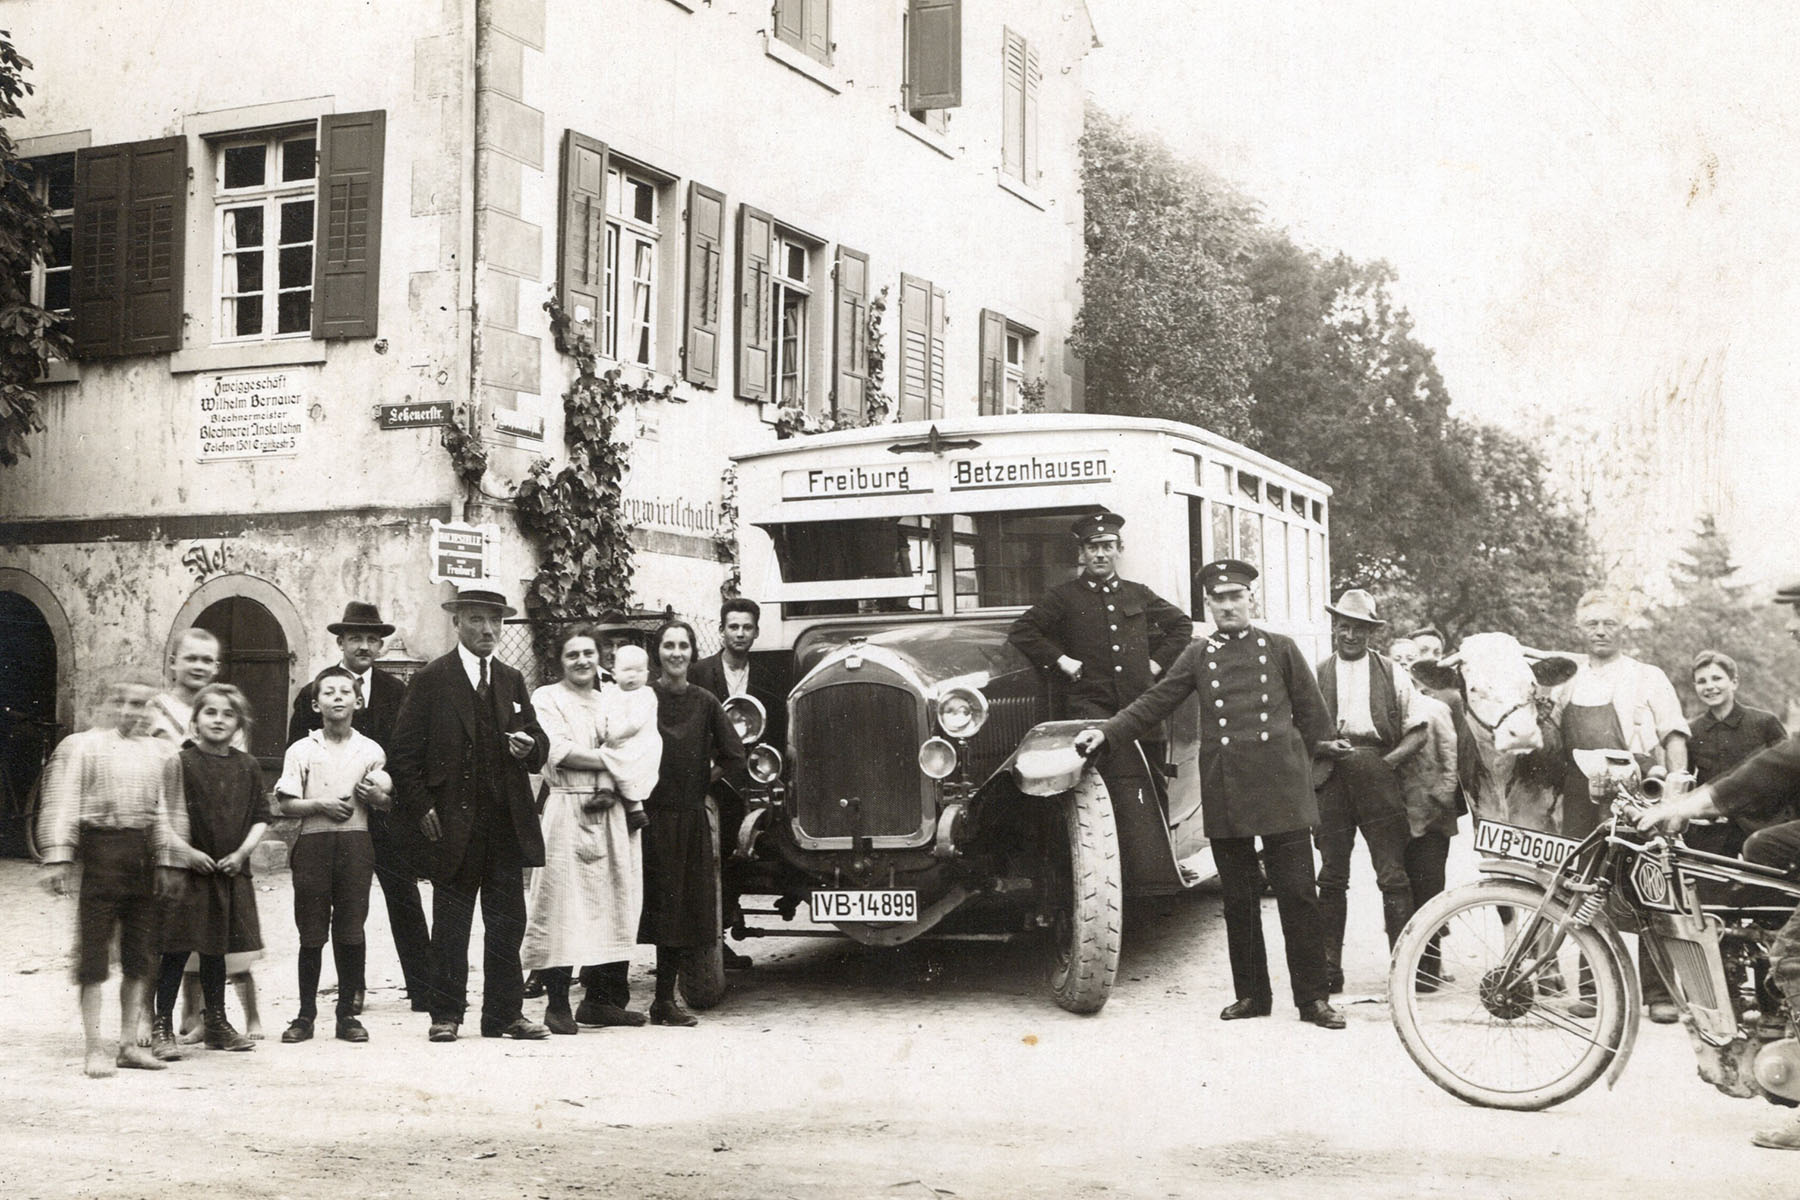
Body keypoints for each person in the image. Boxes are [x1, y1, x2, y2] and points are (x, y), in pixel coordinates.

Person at [1075, 560, 1345, 1029]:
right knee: (1238, 900)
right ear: (1208, 606)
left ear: (1251, 600)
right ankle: (1252, 996)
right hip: (1227, 789)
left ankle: (1313, 999)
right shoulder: (1199, 654)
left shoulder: (1280, 648)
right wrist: (1108, 732)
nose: (1228, 606)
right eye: (1219, 599)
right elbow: (1156, 700)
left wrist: (1310, 780)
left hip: (1281, 790)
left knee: (1299, 896)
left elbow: (1315, 720)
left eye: (1236, 596)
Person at [1635, 578, 1800, 1150]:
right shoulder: (1697, 728)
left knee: (1793, 955)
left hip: (1736, 814)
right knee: (1764, 853)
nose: (1792, 625)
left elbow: (1781, 764)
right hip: (1744, 831)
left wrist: (1689, 805)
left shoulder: (1761, 720)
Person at [390, 583, 551, 1042]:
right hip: (452, 823)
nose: (488, 629)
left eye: (495, 620)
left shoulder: (511, 679)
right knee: (451, 922)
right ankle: (445, 1014)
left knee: (507, 922)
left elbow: (539, 743)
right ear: (457, 621)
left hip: (504, 822)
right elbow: (402, 754)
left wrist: (529, 747)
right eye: (477, 619)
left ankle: (504, 1015)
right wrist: (422, 806)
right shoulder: (432, 679)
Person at [38, 674, 189, 1076]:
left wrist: (170, 861)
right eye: (125, 702)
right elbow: (63, 799)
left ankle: (127, 1044)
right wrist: (58, 855)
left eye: (144, 705)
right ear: (107, 705)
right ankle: (94, 1048)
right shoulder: (84, 747)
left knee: (140, 956)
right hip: (101, 854)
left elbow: (169, 811)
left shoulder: (162, 754)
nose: (133, 712)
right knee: (93, 957)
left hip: (142, 857)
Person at [1009, 511, 1192, 831]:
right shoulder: (1063, 597)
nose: (1100, 554)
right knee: (1101, 788)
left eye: (1107, 546)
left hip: (1141, 707)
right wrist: (1061, 660)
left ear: (1119, 550)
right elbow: (1023, 630)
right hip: (1091, 709)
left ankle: (1158, 859)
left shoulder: (1138, 593)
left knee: (1152, 784)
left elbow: (1181, 626)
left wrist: (1155, 663)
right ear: (1081, 553)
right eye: (1092, 547)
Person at [288, 602, 429, 1015]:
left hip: (383, 816)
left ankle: (423, 986)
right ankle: (353, 990)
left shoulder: (397, 692)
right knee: (341, 904)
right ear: (341, 643)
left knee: (404, 896)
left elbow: (409, 753)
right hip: (333, 819)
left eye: (371, 639)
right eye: (355, 638)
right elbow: (296, 753)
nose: (364, 646)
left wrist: (388, 795)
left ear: (381, 646)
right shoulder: (315, 692)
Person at [1560, 588, 1689, 1021]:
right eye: (1592, 623)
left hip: (1638, 787)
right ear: (1579, 628)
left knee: (1648, 884)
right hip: (1580, 792)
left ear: (1623, 627)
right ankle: (1596, 990)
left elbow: (1673, 734)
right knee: (1586, 884)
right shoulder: (1567, 681)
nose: (1600, 631)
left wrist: (1675, 793)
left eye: (1609, 623)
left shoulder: (1647, 675)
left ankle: (1660, 993)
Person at [520, 628, 654, 1034]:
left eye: (588, 653)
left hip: (612, 809)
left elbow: (641, 746)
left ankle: (601, 1001)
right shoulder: (547, 698)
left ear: (600, 657)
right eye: (572, 654)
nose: (582, 661)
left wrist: (620, 763)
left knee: (615, 899)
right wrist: (619, 761)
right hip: (566, 808)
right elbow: (559, 752)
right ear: (559, 661)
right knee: (560, 904)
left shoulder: (612, 698)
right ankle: (557, 1003)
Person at [145, 626, 263, 1042]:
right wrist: (183, 851)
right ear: (194, 723)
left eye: (227, 715)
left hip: (223, 865)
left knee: (216, 946)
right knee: (173, 945)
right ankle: (158, 1022)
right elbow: (160, 809)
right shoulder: (177, 755)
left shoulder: (245, 762)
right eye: (209, 714)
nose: (218, 720)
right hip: (181, 859)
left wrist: (242, 852)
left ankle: (213, 1021)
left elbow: (258, 812)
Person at [1313, 589, 1427, 993]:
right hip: (1331, 776)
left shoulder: (1392, 672)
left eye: (1358, 629)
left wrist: (1387, 764)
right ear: (1335, 628)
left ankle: (1402, 969)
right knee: (1331, 875)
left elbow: (1419, 730)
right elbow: (1297, 730)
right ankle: (1329, 968)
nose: (1350, 635)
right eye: (1344, 627)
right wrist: (1323, 746)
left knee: (1392, 874)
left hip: (1378, 772)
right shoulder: (1318, 673)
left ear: (1371, 632)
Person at [274, 666, 392, 1044]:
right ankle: (305, 1015)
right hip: (313, 844)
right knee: (311, 931)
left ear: (358, 701)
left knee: (351, 928)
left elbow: (386, 802)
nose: (337, 697)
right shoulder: (302, 750)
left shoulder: (371, 750)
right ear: (316, 704)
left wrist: (378, 796)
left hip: (356, 844)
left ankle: (347, 1015)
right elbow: (286, 804)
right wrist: (320, 804)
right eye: (329, 692)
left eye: (345, 691)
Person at [638, 619, 746, 1026]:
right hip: (645, 815)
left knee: (679, 908)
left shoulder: (705, 701)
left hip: (688, 817)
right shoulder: (642, 698)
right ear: (657, 652)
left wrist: (701, 779)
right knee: (640, 903)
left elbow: (734, 756)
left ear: (692, 653)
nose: (676, 653)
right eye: (668, 646)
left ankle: (664, 1000)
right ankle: (605, 996)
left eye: (683, 646)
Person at [690, 597, 779, 970]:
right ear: (721, 630)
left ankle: (727, 921)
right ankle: (716, 942)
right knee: (716, 855)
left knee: (753, 853)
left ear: (756, 632)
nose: (740, 634)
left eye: (747, 627)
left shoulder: (770, 673)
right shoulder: (700, 672)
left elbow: (779, 724)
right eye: (733, 627)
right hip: (717, 780)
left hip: (757, 779)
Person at [1387, 637, 1460, 991]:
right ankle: (1402, 965)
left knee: (1430, 887)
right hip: (1393, 812)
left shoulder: (1435, 708)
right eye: (1396, 659)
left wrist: (1442, 796)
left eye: (1410, 659)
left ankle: (1430, 967)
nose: (1403, 664)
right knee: (1397, 889)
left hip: (1432, 814)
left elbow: (1450, 757)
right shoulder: (1384, 707)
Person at [1684, 649, 1788, 859]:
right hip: (1712, 834)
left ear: (1734, 682)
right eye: (1701, 681)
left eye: (1717, 678)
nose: (1709, 686)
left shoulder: (1764, 722)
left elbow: (1789, 775)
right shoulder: (1692, 730)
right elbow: (1686, 781)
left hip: (1763, 828)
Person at [599, 645, 661, 833]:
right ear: (614, 673)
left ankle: (635, 809)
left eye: (639, 671)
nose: (633, 675)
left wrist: (615, 734)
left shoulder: (646, 694)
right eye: (627, 670)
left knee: (627, 768)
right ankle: (605, 792)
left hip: (640, 743)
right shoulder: (610, 692)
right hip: (616, 740)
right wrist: (602, 731)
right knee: (604, 756)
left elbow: (635, 722)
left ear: (647, 674)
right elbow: (601, 714)